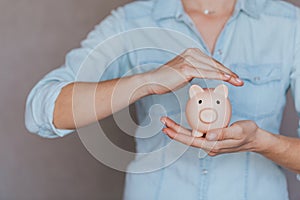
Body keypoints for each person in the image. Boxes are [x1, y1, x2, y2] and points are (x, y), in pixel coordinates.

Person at [25, 0, 300, 199]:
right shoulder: (130, 22)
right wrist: (147, 81)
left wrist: (262, 142)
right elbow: (42, 110)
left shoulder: (289, 25)